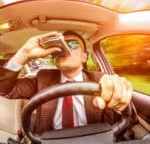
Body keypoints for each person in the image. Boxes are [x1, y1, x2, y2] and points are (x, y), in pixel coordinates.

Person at [0, 31, 132, 134]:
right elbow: (5, 90)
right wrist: (24, 54)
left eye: (73, 44)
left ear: (84, 56)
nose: (64, 49)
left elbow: (119, 110)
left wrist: (120, 91)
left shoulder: (100, 80)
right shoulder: (42, 78)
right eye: (60, 44)